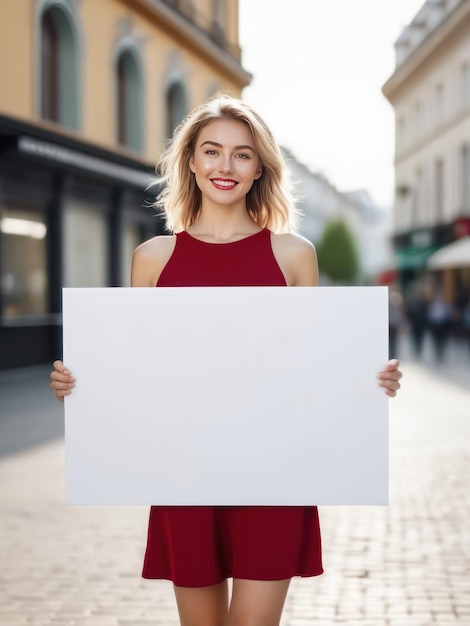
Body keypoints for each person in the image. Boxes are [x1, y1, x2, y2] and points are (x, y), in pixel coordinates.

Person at [50, 94, 402, 626]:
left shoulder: (293, 254)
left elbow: (314, 366)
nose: (225, 166)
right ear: (190, 161)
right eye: (212, 151)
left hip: (275, 472)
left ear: (260, 167)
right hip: (185, 472)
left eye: (242, 154)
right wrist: (81, 383)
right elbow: (139, 375)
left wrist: (368, 379)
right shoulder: (152, 259)